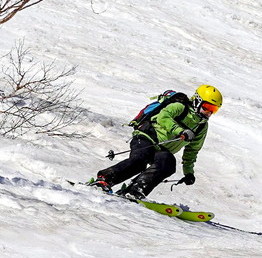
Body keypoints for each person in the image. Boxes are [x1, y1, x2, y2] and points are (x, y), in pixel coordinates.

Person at [91, 84, 222, 200]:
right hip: (147, 136)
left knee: (168, 164)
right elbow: (163, 117)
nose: (209, 112)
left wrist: (188, 172)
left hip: (162, 149)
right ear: (197, 101)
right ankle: (104, 180)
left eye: (214, 110)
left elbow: (192, 150)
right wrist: (180, 131)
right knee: (139, 161)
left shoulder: (201, 126)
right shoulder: (180, 107)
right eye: (207, 107)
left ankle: (135, 191)